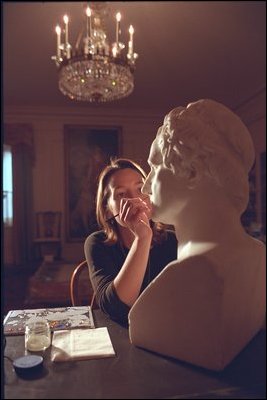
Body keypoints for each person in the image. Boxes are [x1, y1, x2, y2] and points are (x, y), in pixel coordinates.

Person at [128, 99, 266, 371]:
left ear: (191, 171)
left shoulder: (195, 275)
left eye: (155, 168)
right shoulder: (257, 253)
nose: (144, 186)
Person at [84, 158, 177, 325]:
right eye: (121, 194)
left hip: (166, 332)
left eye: (141, 189)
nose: (135, 199)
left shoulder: (173, 241)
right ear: (107, 210)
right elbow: (116, 309)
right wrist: (142, 238)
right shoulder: (97, 243)